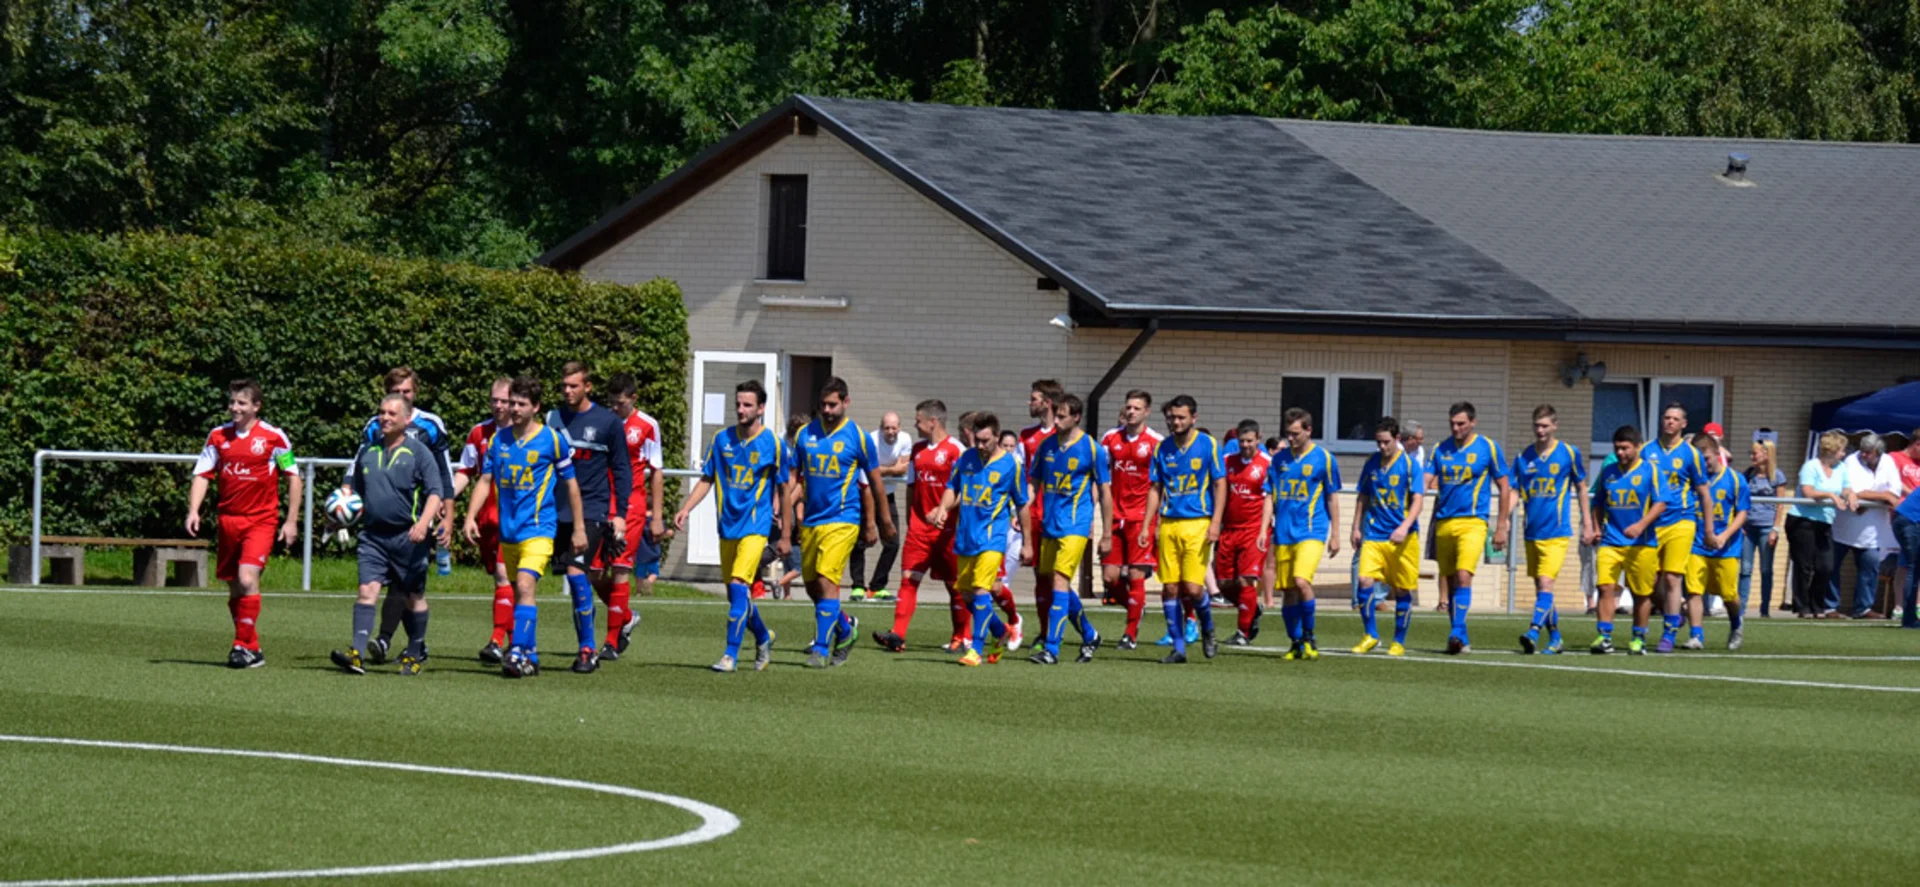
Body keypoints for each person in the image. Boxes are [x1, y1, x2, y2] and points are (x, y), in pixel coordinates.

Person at [462, 376, 587, 678]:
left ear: (536, 407)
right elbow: (485, 480)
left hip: (540, 529)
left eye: (521, 404)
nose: (513, 409)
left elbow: (571, 486)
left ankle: (516, 652)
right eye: (511, 403)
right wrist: (469, 517)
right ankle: (530, 654)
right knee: (520, 594)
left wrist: (579, 528)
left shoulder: (552, 439)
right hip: (509, 532)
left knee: (524, 586)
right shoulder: (497, 440)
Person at [185, 379, 302, 668]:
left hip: (260, 521)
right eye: (232, 402)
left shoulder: (274, 437)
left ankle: (239, 645)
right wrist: (193, 510)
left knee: (248, 579)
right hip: (228, 521)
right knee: (235, 587)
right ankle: (252, 648)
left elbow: (293, 476)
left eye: (241, 403)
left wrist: (290, 521)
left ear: (256, 406)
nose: (234, 407)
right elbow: (202, 474)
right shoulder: (217, 437)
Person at [340, 368, 453, 665]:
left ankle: (415, 650)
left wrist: (426, 521)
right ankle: (357, 653)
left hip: (409, 536)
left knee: (412, 595)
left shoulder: (419, 450)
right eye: (382, 412)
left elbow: (436, 489)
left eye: (392, 413)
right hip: (373, 536)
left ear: (406, 418)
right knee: (367, 590)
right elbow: (354, 489)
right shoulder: (367, 450)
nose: (385, 418)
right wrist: (339, 513)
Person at [672, 379, 783, 672]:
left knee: (737, 586)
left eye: (747, 405)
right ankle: (763, 636)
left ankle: (729, 656)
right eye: (738, 404)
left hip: (756, 526)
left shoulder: (772, 442)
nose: (741, 409)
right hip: (727, 527)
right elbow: (708, 478)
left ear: (761, 408)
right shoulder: (721, 440)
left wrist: (781, 510)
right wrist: (685, 508)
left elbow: (786, 480)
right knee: (738, 596)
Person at [786, 377, 897, 668]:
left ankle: (821, 648)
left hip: (843, 519)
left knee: (826, 579)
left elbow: (874, 482)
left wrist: (881, 523)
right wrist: (783, 509)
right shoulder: (804, 435)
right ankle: (845, 629)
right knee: (813, 587)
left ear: (846, 403)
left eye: (833, 404)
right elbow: (794, 480)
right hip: (811, 521)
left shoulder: (858, 437)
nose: (827, 409)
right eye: (823, 404)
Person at [547, 361, 632, 673]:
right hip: (555, 511)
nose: (568, 391)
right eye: (564, 386)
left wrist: (620, 514)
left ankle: (587, 650)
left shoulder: (607, 422)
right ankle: (521, 647)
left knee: (575, 571)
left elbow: (622, 469)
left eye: (574, 385)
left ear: (588, 387)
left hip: (593, 509)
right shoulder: (552, 418)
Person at [928, 412, 1031, 667]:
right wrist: (943, 508)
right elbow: (953, 487)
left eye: (986, 441)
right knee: (965, 593)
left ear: (997, 436)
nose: (981, 446)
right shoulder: (967, 458)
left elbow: (1022, 505)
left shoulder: (1011, 466)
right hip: (966, 536)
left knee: (981, 590)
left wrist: (1027, 542)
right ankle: (1000, 630)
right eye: (978, 441)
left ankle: (975, 649)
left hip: (992, 538)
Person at [872, 400, 967, 653]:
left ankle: (962, 637)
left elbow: (963, 489)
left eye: (918, 419)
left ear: (932, 421)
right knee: (908, 579)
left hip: (948, 531)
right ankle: (897, 636)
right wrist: (910, 518)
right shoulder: (917, 450)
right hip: (919, 529)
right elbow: (912, 486)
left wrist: (944, 509)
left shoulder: (956, 450)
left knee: (954, 584)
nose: (915, 424)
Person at [1139, 395, 1226, 664]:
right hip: (1169, 523)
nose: (1175, 422)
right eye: (1171, 417)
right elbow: (1156, 488)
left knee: (1194, 588)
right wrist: (1146, 525)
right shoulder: (1161, 449)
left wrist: (1215, 523)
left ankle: (1208, 628)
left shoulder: (1208, 445)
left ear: (1193, 418)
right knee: (1170, 588)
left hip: (1198, 522)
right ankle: (1178, 648)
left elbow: (1220, 484)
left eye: (1181, 417)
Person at [1027, 393, 1111, 664]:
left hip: (1075, 525)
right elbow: (1034, 483)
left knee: (1061, 582)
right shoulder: (1046, 446)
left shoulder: (1092, 448)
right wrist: (1021, 511)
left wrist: (1105, 532)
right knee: (1053, 584)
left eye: (1062, 416)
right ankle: (1089, 634)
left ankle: (1052, 649)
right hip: (1049, 524)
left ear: (1076, 417)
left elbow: (1105, 492)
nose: (1057, 420)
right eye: (1056, 414)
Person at [1428, 401, 1511, 655]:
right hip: (1444, 522)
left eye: (1461, 424)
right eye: (1452, 424)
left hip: (1474, 521)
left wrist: (1501, 526)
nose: (1456, 428)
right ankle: (1460, 637)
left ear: (1473, 423)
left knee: (1464, 575)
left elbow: (1505, 487)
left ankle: (1456, 631)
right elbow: (1425, 480)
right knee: (1452, 582)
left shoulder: (1488, 447)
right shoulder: (1440, 449)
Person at [1505, 404, 1587, 655]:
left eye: (1545, 426)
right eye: (1537, 426)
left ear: (1555, 426)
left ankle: (1533, 631)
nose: (1540, 430)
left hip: (1558, 531)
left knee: (1545, 582)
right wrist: (1504, 520)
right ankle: (1556, 639)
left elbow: (1582, 487)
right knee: (1542, 589)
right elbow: (1514, 490)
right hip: (1532, 531)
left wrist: (1588, 523)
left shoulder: (1568, 453)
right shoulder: (1523, 457)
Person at [595, 372, 664, 660]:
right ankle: (625, 616)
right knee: (594, 572)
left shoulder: (647, 426)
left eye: (620, 404)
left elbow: (656, 470)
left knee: (621, 568)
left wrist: (657, 516)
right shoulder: (600, 421)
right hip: (599, 502)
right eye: (611, 403)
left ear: (633, 400)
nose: (614, 409)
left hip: (632, 505)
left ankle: (611, 642)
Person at [1265, 409, 1341, 655]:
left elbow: (1332, 496)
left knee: (1301, 580)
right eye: (1288, 434)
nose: (1291, 438)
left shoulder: (1323, 459)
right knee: (1287, 590)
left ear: (1309, 430)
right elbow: (1269, 496)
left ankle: (1310, 634)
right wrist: (1262, 528)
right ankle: (1296, 641)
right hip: (1284, 532)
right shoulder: (1279, 460)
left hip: (1311, 530)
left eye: (1296, 433)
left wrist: (1336, 533)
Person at [453, 378, 517, 663]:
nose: (499, 405)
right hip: (488, 517)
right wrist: (446, 498)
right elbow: (467, 471)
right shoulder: (479, 432)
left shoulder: (527, 433)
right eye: (495, 400)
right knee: (502, 580)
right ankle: (518, 644)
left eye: (504, 400)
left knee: (507, 576)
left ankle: (496, 640)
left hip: (517, 517)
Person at [1641, 402, 1713, 652]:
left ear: (1683, 424)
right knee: (1646, 579)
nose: (1669, 422)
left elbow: (1704, 493)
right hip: (1652, 522)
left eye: (1675, 419)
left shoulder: (1690, 454)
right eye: (1666, 417)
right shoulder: (1647, 450)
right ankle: (1675, 616)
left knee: (1673, 578)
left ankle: (1669, 633)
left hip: (1681, 521)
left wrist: (1709, 529)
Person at [1588, 425, 1666, 654]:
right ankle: (1604, 636)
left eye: (1625, 448)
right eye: (1617, 448)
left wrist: (1641, 525)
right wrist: (1596, 527)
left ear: (1637, 447)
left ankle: (1639, 638)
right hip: (1611, 541)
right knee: (1604, 587)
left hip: (1642, 544)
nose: (1620, 453)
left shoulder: (1651, 471)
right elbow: (1598, 502)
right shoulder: (1609, 471)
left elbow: (1661, 503)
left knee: (1640, 592)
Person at [1348, 417, 1422, 657]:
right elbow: (1363, 496)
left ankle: (1398, 641)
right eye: (1378, 442)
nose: (1382, 447)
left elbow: (1418, 500)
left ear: (1397, 439)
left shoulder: (1410, 466)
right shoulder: (1371, 463)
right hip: (1375, 534)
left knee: (1401, 589)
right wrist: (1355, 527)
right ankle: (1370, 635)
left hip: (1403, 538)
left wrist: (1405, 526)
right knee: (1365, 581)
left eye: (1386, 442)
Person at [1100, 390, 1163, 648]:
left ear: (1146, 411)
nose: (1131, 412)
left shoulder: (1156, 442)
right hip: (1114, 516)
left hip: (1140, 517)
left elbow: (1159, 486)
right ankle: (1136, 609)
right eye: (1128, 407)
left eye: (1137, 408)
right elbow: (1102, 479)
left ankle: (1130, 634)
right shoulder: (1110, 438)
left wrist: (1154, 522)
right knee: (1110, 577)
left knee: (1136, 574)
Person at [1686, 433, 1749, 650]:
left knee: (1728, 594)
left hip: (1726, 547)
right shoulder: (1691, 482)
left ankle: (1736, 624)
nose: (1703, 463)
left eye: (1706, 458)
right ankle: (1696, 636)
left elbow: (1742, 513)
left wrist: (1724, 536)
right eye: (1698, 459)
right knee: (1693, 590)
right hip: (1697, 543)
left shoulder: (1735, 479)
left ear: (1716, 454)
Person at [1215, 420, 1272, 648]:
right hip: (1229, 530)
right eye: (1242, 441)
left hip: (1254, 530)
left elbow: (1269, 498)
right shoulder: (1227, 462)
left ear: (1258, 439)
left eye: (1250, 441)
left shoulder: (1268, 463)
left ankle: (1243, 632)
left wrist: (1262, 530)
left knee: (1246, 579)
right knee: (1223, 583)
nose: (1246, 445)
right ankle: (1252, 609)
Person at [1834, 433, 1901, 618]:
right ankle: (1830, 606)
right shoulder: (1850, 461)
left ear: (1878, 452)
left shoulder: (1888, 462)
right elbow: (1851, 491)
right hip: (1845, 524)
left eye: (1868, 453)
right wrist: (1882, 496)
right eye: (1862, 451)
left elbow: (1894, 491)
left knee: (1869, 569)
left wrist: (1872, 496)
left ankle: (1863, 608)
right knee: (1833, 567)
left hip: (1873, 528)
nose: (1863, 455)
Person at [1018, 380, 1064, 641]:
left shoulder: (1063, 434)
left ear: (1047, 402)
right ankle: (1045, 632)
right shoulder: (1027, 436)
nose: (1030, 403)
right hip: (1034, 513)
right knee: (1041, 575)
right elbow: (1022, 477)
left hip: (1060, 513)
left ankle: (1079, 630)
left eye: (1034, 398)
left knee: (1059, 576)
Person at [850, 411, 912, 602]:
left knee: (892, 542)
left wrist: (880, 471)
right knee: (860, 541)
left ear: (899, 428)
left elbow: (903, 468)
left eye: (894, 427)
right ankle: (858, 586)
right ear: (880, 428)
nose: (891, 431)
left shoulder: (905, 439)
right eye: (887, 428)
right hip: (866, 494)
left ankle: (877, 587)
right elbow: (868, 479)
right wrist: (870, 523)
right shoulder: (872, 441)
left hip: (888, 495)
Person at [1787, 432, 1850, 617]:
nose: (1844, 454)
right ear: (1832, 450)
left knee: (1826, 566)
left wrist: (1850, 495)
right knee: (1804, 566)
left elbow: (1846, 488)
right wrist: (1830, 495)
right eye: (1842, 450)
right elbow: (1808, 491)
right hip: (1802, 521)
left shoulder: (1841, 468)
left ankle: (1817, 604)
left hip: (1824, 522)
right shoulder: (1811, 466)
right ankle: (1802, 606)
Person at [1740, 438, 1786, 618]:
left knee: (1766, 569)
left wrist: (1776, 528)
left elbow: (1780, 504)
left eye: (1755, 453)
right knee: (1745, 569)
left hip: (1766, 527)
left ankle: (1764, 609)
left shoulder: (1777, 476)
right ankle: (1741, 609)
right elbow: (1741, 499)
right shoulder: (1748, 474)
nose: (1752, 456)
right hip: (1748, 528)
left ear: (1767, 454)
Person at [1893, 461, 1920, 629]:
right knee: (1914, 568)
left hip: (1904, 520)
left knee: (1913, 568)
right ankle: (1909, 619)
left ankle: (1909, 618)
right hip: (1911, 522)